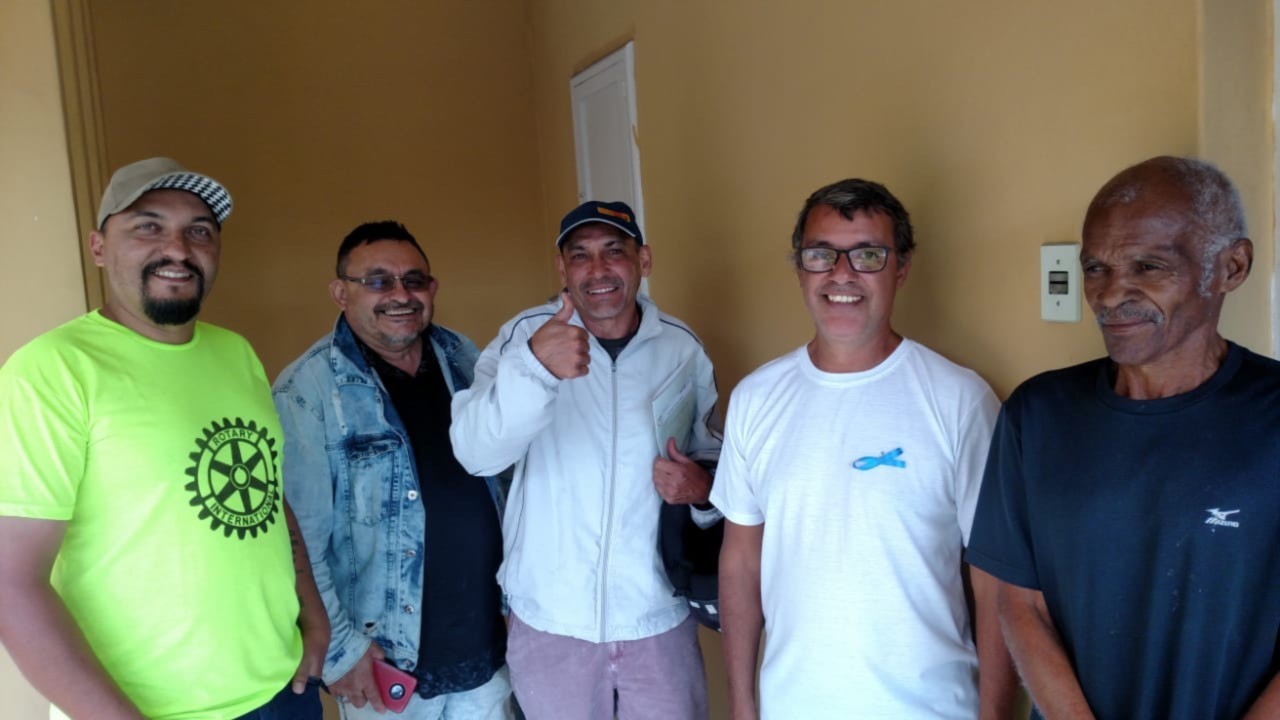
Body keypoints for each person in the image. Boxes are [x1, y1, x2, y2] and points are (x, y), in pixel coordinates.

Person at [0, 157, 327, 720]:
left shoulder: (236, 354)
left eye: (199, 231)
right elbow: (12, 583)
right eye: (147, 226)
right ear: (99, 247)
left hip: (282, 692)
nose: (178, 249)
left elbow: (264, 495)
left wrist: (313, 614)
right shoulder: (52, 370)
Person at [968, 156, 1280, 719]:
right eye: (1095, 268)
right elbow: (1020, 603)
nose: (1111, 295)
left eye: (1148, 266)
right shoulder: (1037, 415)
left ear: (1231, 268)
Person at [712, 178, 1019, 719]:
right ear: (800, 268)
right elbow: (740, 562)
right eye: (821, 254)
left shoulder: (960, 400)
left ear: (901, 269)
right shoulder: (756, 398)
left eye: (868, 255)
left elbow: (996, 580)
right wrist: (741, 702)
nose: (842, 274)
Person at [449, 201, 722, 720]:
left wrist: (700, 488)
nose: (598, 270)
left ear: (643, 260)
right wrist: (534, 368)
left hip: (657, 617)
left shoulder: (681, 347)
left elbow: (707, 456)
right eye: (580, 255)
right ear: (562, 268)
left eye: (614, 251)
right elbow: (475, 454)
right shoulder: (523, 337)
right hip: (551, 620)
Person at [274, 220, 512, 719]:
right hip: (387, 666)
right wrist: (340, 651)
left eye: (414, 280)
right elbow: (298, 540)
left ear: (433, 288)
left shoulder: (465, 358)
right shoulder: (307, 391)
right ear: (341, 293)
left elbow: (505, 487)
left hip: (486, 652)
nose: (401, 295)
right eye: (378, 281)